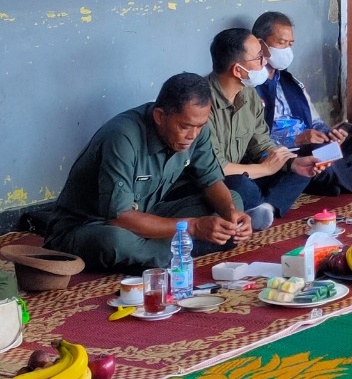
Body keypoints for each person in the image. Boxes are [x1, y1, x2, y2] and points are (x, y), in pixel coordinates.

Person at [43, 73, 253, 272]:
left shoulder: (198, 130)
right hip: (90, 226)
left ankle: (164, 250)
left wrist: (231, 213)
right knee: (116, 242)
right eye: (185, 126)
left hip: (147, 215)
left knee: (232, 199)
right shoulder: (123, 136)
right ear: (160, 116)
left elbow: (210, 181)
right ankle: (178, 250)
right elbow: (120, 218)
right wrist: (194, 227)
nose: (193, 135)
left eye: (200, 126)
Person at [253, 10, 352, 194]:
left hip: (319, 146)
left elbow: (315, 121)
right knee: (320, 158)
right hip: (292, 153)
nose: (286, 50)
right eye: (281, 43)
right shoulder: (250, 86)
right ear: (260, 43)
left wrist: (330, 134)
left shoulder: (291, 82)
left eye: (290, 44)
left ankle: (336, 171)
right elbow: (255, 142)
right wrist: (297, 138)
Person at [206, 28, 324, 229]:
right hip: (217, 182)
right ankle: (254, 205)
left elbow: (261, 144)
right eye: (259, 57)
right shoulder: (201, 103)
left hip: (248, 171)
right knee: (241, 186)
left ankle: (266, 207)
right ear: (237, 70)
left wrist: (289, 164)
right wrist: (264, 169)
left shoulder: (249, 95)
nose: (264, 62)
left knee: (301, 164)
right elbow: (216, 169)